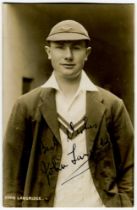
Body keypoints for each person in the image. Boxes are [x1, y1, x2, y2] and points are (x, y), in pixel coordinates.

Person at [3, 20, 133, 207]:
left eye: (76, 48)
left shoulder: (113, 105)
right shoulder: (26, 105)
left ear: (87, 53)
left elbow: (130, 165)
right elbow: (11, 174)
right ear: (49, 52)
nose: (68, 55)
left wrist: (126, 205)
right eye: (60, 47)